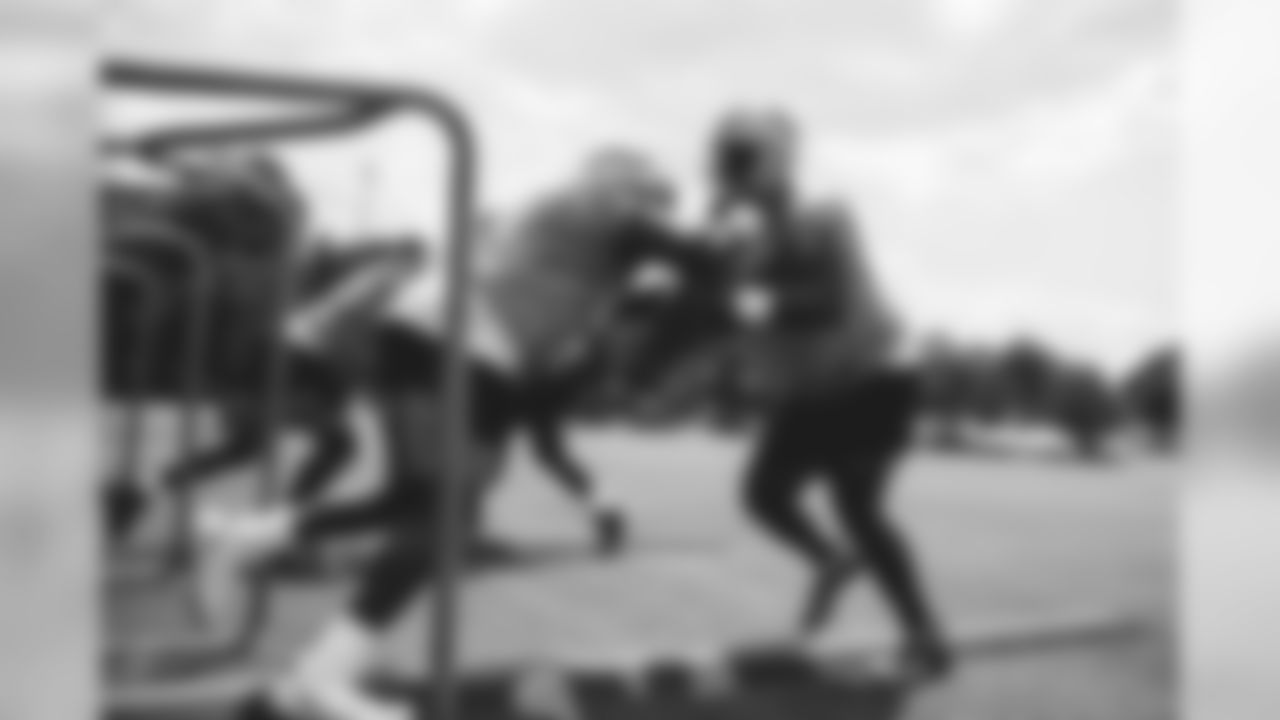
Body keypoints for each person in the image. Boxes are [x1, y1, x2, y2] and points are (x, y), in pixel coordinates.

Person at [198, 147, 691, 720]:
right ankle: (315, 666)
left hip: (450, 337)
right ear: (626, 188)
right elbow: (692, 256)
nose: (659, 214)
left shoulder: (582, 254)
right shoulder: (593, 207)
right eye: (655, 201)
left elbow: (551, 354)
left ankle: (273, 585)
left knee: (420, 507)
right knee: (439, 516)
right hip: (454, 337)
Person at [707, 107, 953, 680]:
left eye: (738, 163)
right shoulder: (750, 240)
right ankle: (834, 563)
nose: (729, 176)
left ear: (772, 164)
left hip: (874, 379)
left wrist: (738, 298)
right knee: (764, 494)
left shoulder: (821, 213)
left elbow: (824, 303)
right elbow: (735, 308)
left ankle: (923, 636)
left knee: (857, 509)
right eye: (725, 165)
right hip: (815, 393)